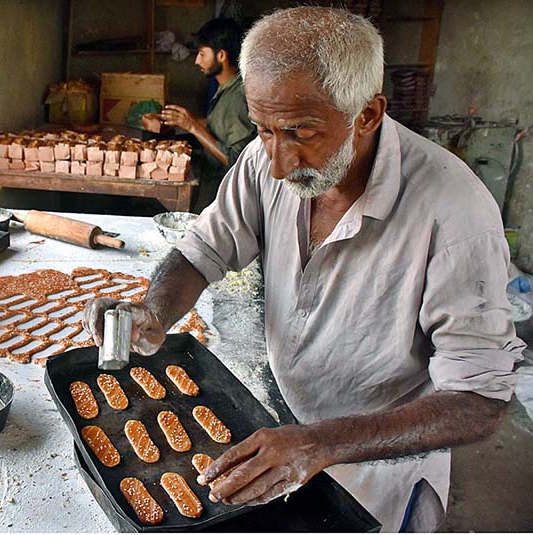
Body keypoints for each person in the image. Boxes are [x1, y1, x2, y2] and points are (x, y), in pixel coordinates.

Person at [83, 7, 523, 532]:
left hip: (379, 464)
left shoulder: (455, 215)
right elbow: (202, 250)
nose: (276, 162)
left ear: (368, 114)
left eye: (300, 132)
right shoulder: (264, 159)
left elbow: (479, 399)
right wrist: (155, 310)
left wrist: (321, 443)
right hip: (282, 419)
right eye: (262, 129)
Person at [160, 17, 256, 212]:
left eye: (202, 54)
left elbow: (235, 161)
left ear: (221, 55)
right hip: (212, 185)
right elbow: (219, 124)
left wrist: (192, 126)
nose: (197, 60)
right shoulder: (227, 89)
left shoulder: (238, 98)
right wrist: (183, 122)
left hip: (226, 198)